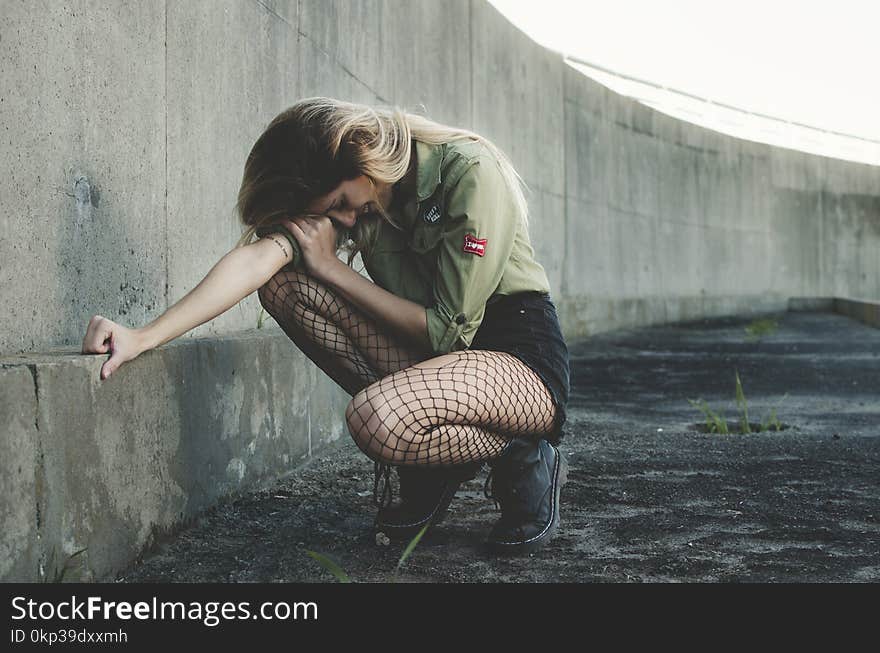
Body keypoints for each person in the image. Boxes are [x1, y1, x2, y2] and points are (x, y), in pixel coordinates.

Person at [81, 97, 571, 556]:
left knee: (375, 419)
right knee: (285, 286)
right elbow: (255, 262)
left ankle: (521, 452)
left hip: (518, 363)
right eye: (329, 212)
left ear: (359, 157)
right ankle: (436, 465)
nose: (342, 218)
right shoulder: (361, 196)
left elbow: (448, 331)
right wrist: (143, 336)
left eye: (339, 201)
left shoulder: (468, 171)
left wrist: (331, 266)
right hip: (436, 367)